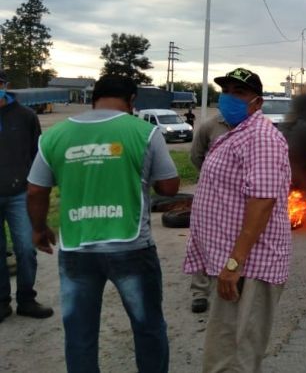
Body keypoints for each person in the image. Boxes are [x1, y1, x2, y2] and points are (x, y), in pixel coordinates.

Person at [27, 75, 180, 372]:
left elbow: (35, 189)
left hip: (76, 250)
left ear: (93, 97)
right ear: (132, 101)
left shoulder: (54, 136)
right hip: (132, 247)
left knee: (80, 335)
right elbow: (169, 188)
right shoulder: (145, 133)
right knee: (148, 328)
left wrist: (38, 227)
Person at [183, 68, 291, 372]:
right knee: (224, 349)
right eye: (226, 90)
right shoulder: (235, 132)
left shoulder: (261, 137)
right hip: (235, 263)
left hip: (249, 266)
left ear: (256, 103)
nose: (229, 97)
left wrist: (234, 263)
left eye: (239, 93)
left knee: (236, 357)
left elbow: (263, 201)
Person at [0, 68, 53, 323]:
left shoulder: (26, 116)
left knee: (25, 248)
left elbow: (37, 155)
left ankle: (26, 299)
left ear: (4, 84)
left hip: (19, 194)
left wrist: (37, 190)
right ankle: (1, 302)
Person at [186, 112, 232, 313]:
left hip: (239, 195)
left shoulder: (254, 127)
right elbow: (196, 156)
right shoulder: (209, 126)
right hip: (211, 194)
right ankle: (200, 292)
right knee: (202, 239)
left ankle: (229, 284)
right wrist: (212, 175)